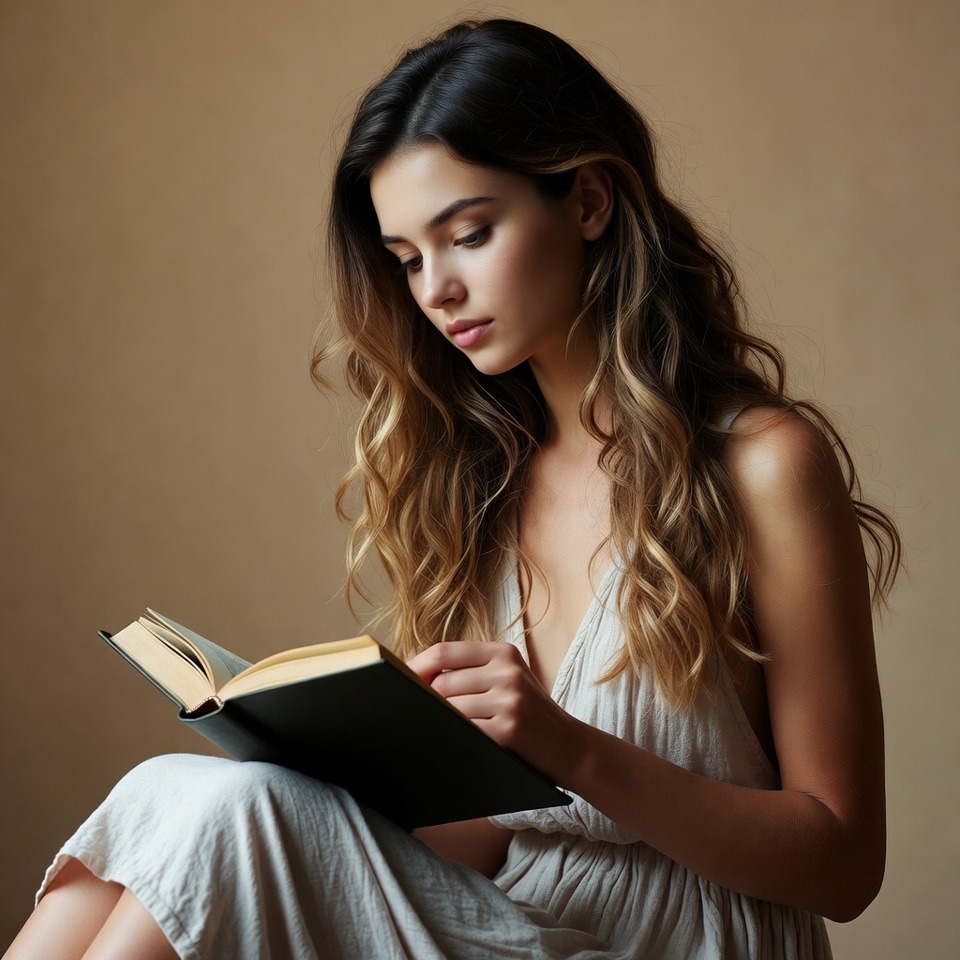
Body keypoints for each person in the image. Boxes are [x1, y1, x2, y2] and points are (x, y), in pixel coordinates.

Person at [4, 17, 900, 960]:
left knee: (232, 816)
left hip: (683, 940)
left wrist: (570, 747)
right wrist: (337, 765)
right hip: (513, 920)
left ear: (589, 200)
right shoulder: (484, 476)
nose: (436, 290)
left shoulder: (762, 465)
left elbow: (844, 865)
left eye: (468, 234)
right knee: (175, 795)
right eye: (407, 259)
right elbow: (492, 837)